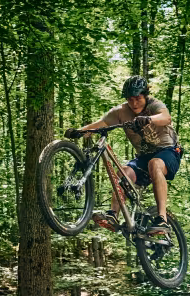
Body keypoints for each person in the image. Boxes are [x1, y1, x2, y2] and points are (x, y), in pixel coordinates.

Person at [66, 75, 181, 236]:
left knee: (154, 164)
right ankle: (113, 215)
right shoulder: (120, 111)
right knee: (123, 173)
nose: (134, 103)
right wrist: (79, 132)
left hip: (168, 152)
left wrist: (148, 119)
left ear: (145, 95)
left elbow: (165, 117)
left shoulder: (154, 105)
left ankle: (162, 219)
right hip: (143, 158)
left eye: (138, 98)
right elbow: (99, 125)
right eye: (129, 99)